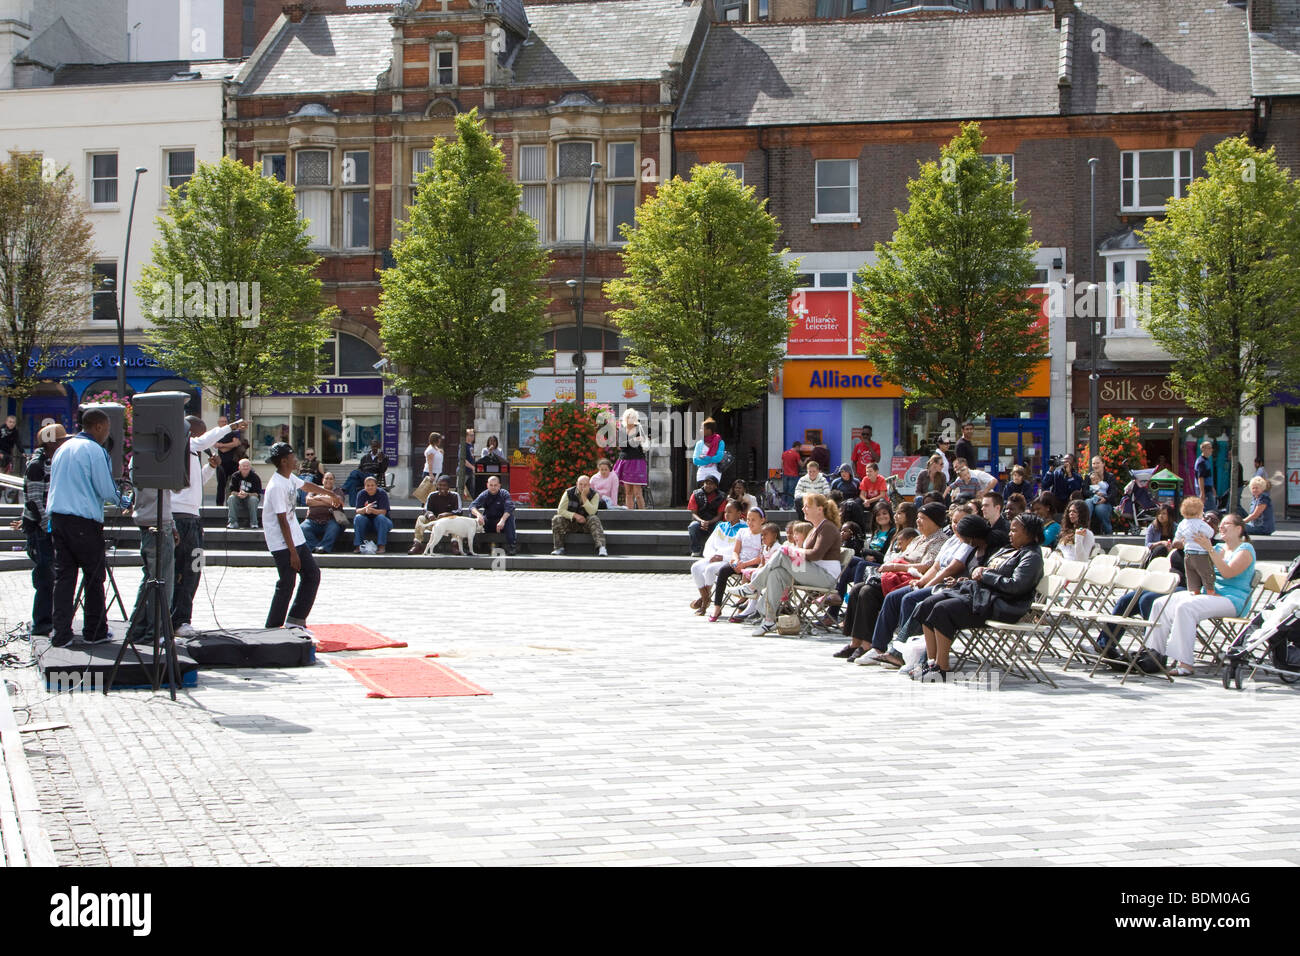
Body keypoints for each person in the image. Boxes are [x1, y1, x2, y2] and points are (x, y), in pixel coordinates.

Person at [909, 513, 1046, 682]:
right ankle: (931, 663)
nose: (1010, 534)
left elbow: (1015, 586)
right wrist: (971, 578)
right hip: (983, 596)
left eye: (1015, 530)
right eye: (1010, 530)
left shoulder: (1031, 557)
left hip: (1002, 604)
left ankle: (942, 668)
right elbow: (990, 573)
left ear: (1030, 533)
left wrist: (985, 574)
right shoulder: (1010, 550)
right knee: (928, 603)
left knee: (943, 609)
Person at [850, 511, 991, 666]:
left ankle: (902, 652)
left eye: (959, 522)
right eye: (953, 521)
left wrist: (926, 584)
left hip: (945, 584)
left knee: (910, 599)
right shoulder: (951, 540)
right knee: (891, 597)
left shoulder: (964, 542)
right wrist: (922, 582)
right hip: (928, 579)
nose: (955, 525)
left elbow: (950, 569)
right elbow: (937, 566)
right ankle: (877, 647)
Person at [47, 410, 130, 647]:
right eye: (107, 428)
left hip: (59, 519)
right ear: (99, 427)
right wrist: (123, 501)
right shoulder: (94, 450)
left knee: (64, 578)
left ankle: (60, 634)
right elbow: (105, 488)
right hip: (83, 521)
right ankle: (95, 631)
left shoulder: (63, 448)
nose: (107, 434)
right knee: (94, 577)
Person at [1139, 514, 1255, 678]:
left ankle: (1185, 663)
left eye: (1226, 524)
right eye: (1220, 525)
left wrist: (1208, 549)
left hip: (1232, 599)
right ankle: (1153, 655)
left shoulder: (1245, 549)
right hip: (1209, 593)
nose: (1221, 527)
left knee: (1186, 607)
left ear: (1239, 529)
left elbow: (1227, 573)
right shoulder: (1219, 548)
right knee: (1160, 603)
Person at [837, 501, 948, 659]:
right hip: (895, 577)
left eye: (922, 518)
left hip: (909, 579)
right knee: (857, 589)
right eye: (918, 517)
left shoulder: (939, 540)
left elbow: (927, 566)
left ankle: (870, 645)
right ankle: (856, 642)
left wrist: (896, 567)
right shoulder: (918, 539)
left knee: (867, 592)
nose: (918, 521)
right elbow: (900, 556)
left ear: (934, 520)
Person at [172, 415, 243, 638]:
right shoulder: (186, 444)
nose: (203, 439)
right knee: (184, 570)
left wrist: (209, 469)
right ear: (191, 432)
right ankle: (178, 618)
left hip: (192, 518)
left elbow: (195, 484)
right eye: (199, 433)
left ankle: (180, 617)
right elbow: (206, 440)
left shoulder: (191, 452)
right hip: (180, 519)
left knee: (193, 567)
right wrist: (229, 428)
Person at [263, 443, 340, 631]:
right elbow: (282, 521)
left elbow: (305, 485)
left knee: (312, 575)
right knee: (287, 582)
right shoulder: (276, 486)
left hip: (295, 537)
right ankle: (273, 626)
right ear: (283, 461)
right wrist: (292, 553)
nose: (296, 459)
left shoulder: (289, 477)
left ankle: (295, 620)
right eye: (292, 456)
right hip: (281, 542)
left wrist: (329, 492)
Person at [745, 493, 843, 636]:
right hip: (812, 572)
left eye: (807, 506)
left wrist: (792, 551)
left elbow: (816, 554)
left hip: (825, 577)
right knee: (776, 573)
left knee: (784, 552)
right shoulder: (814, 528)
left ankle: (753, 586)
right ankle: (769, 620)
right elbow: (806, 556)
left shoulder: (827, 527)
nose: (803, 509)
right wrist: (793, 552)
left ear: (820, 509)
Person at [11, 424, 66, 637]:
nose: (63, 443)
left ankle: (48, 620)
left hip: (46, 527)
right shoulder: (37, 465)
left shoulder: (51, 462)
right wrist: (47, 526)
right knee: (45, 576)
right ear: (51, 443)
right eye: (60, 440)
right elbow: (34, 501)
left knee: (50, 576)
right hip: (40, 530)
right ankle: (42, 623)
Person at [707, 507, 767, 621]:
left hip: (753, 563)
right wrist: (735, 560)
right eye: (748, 519)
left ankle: (744, 604)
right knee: (723, 571)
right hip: (740, 561)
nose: (750, 522)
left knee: (749, 571)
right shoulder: (742, 531)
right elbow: (736, 550)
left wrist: (744, 565)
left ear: (762, 520)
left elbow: (761, 556)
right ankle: (717, 606)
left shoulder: (763, 534)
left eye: (753, 520)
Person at [689, 499, 746, 612]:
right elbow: (710, 543)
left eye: (730, 512)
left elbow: (739, 549)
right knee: (695, 567)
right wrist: (711, 556)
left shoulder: (744, 529)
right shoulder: (721, 526)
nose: (726, 514)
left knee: (710, 569)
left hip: (729, 560)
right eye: (725, 512)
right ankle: (705, 597)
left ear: (739, 513)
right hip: (715, 557)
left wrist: (723, 557)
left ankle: (704, 603)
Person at [551, 474, 608, 556]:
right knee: (557, 518)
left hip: (587, 524)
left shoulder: (595, 495)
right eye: (580, 484)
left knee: (594, 518)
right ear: (577, 484)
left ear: (589, 485)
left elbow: (592, 511)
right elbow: (560, 510)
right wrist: (575, 515)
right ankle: (559, 548)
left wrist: (584, 497)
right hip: (571, 523)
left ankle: (601, 547)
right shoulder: (568, 493)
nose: (582, 487)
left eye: (585, 485)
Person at [409, 475, 462, 553]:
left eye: (444, 485)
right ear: (437, 485)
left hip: (449, 524)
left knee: (458, 521)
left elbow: (459, 511)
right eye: (440, 485)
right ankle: (417, 544)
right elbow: (426, 509)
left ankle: (455, 545)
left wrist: (447, 514)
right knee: (421, 518)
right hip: (435, 523)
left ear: (448, 486)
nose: (442, 488)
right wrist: (430, 514)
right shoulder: (432, 495)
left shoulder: (455, 496)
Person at [1175, 495, 1215, 596]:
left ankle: (1195, 592)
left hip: (1188, 554)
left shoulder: (1182, 523)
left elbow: (1178, 536)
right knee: (1206, 574)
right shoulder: (1200, 523)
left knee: (1191, 575)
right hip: (1200, 554)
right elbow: (1211, 533)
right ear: (1199, 512)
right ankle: (1210, 592)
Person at [470, 474, 518, 555]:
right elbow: (472, 506)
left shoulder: (504, 493)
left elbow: (509, 507)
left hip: (502, 523)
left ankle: (512, 546)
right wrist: (479, 515)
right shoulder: (484, 494)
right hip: (488, 522)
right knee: (472, 517)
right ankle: (472, 546)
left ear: (499, 485)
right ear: (487, 485)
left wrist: (502, 520)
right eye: (491, 485)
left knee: (510, 517)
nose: (493, 487)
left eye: (495, 485)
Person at [301, 472, 347, 554]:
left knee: (334, 528)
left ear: (334, 481)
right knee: (302, 528)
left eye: (331, 479)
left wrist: (319, 497)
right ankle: (315, 547)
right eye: (326, 478)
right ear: (322, 480)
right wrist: (328, 501)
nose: (328, 480)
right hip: (312, 520)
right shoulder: (315, 489)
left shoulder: (338, 491)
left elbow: (337, 502)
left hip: (330, 520)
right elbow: (308, 501)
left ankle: (324, 547)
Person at [613, 410, 648, 510]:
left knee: (638, 493)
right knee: (628, 492)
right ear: (625, 418)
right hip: (625, 461)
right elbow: (622, 446)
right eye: (629, 417)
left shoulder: (640, 428)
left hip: (638, 461)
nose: (631, 419)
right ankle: (630, 515)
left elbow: (645, 441)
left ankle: (643, 516)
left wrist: (644, 439)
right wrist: (633, 440)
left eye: (633, 417)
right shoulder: (622, 429)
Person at [686, 475, 726, 556]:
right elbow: (694, 513)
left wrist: (709, 522)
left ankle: (717, 550)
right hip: (699, 521)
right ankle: (696, 550)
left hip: (714, 521)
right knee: (693, 526)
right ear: (703, 484)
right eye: (706, 483)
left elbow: (719, 515)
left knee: (721, 526)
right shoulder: (695, 494)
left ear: (715, 486)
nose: (708, 486)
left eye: (711, 484)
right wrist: (702, 521)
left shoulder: (722, 496)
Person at [353, 475, 393, 553]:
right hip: (367, 522)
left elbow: (383, 512)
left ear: (376, 486)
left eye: (372, 485)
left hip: (383, 522)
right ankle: (358, 546)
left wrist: (371, 510)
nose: (370, 487)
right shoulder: (361, 494)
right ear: (364, 486)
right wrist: (365, 509)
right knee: (358, 517)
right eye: (368, 485)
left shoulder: (382, 493)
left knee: (380, 517)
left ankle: (381, 546)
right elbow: (357, 510)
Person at [212, 415, 242, 506]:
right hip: (221, 463)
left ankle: (234, 504)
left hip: (233, 462)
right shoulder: (216, 433)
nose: (224, 423)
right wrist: (230, 445)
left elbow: (237, 443)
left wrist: (222, 445)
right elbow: (220, 448)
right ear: (218, 423)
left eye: (225, 421)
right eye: (222, 421)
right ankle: (219, 505)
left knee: (235, 484)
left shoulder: (231, 432)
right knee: (221, 485)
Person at [225, 458, 263, 529]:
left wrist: (247, 494)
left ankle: (254, 523)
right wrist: (240, 494)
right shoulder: (235, 476)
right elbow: (232, 491)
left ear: (250, 467)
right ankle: (233, 522)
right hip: (238, 498)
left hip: (250, 499)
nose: (245, 467)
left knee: (253, 499)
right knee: (231, 498)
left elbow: (257, 494)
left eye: (247, 466)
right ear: (239, 467)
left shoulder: (255, 477)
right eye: (243, 466)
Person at [1086, 455, 1119, 533]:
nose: (1095, 465)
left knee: (1100, 508)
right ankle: (1085, 528)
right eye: (1093, 463)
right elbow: (1085, 491)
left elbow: (1113, 492)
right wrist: (1094, 493)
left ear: (1103, 464)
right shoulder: (1089, 476)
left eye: (1098, 463)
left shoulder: (1110, 477)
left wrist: (1105, 498)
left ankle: (1108, 531)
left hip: (1105, 501)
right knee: (1087, 503)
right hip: (1092, 499)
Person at [692, 418, 726, 485]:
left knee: (712, 492)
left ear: (709, 430)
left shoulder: (720, 442)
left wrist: (705, 458)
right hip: (702, 473)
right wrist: (712, 459)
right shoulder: (699, 443)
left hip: (715, 472)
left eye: (702, 428)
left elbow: (719, 458)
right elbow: (695, 460)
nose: (700, 430)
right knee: (702, 492)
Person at [1193, 439, 1216, 512]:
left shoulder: (1206, 460)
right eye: (1209, 448)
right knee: (1210, 510)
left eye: (1211, 448)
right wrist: (1202, 493)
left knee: (1211, 508)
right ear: (1203, 449)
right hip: (1204, 489)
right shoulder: (1201, 462)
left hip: (1208, 489)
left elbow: (1208, 477)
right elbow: (1200, 477)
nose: (1211, 450)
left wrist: (1212, 488)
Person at [780, 441, 803, 508]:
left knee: (785, 490)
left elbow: (782, 464)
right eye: (800, 447)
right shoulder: (796, 454)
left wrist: (784, 471)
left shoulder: (784, 453)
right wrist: (806, 460)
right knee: (791, 491)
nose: (800, 449)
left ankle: (783, 505)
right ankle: (790, 506)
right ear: (797, 446)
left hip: (785, 474)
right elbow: (801, 464)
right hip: (793, 475)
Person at [0, 413, 23, 478]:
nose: (11, 424)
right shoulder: (2, 429)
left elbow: (18, 442)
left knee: (8, 470)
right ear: (6, 422)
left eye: (13, 422)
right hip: (1, 452)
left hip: (8, 453)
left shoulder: (15, 431)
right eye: (10, 422)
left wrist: (23, 452)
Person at [458, 427, 477, 502]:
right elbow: (463, 459)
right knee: (460, 488)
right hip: (463, 471)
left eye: (473, 435)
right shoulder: (463, 446)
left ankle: (476, 504)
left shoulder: (471, 446)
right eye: (471, 435)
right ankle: (457, 505)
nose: (473, 437)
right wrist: (472, 467)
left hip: (469, 471)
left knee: (472, 489)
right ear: (466, 436)